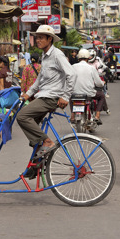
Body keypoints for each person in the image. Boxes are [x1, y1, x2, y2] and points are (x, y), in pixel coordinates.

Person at [17, 25, 77, 157]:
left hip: (51, 98)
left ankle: (47, 142)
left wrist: (65, 96)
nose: (38, 40)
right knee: (32, 130)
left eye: (41, 38)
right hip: (43, 96)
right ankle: (38, 160)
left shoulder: (57, 55)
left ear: (49, 39)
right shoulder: (44, 55)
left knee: (22, 116)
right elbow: (40, 78)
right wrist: (28, 93)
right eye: (37, 38)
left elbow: (72, 74)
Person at [71, 49, 108, 124]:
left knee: (71, 97)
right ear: (88, 58)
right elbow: (98, 83)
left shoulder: (72, 67)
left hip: (75, 93)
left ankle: (72, 115)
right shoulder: (91, 68)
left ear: (78, 58)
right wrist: (102, 83)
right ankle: (97, 116)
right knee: (101, 96)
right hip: (89, 94)